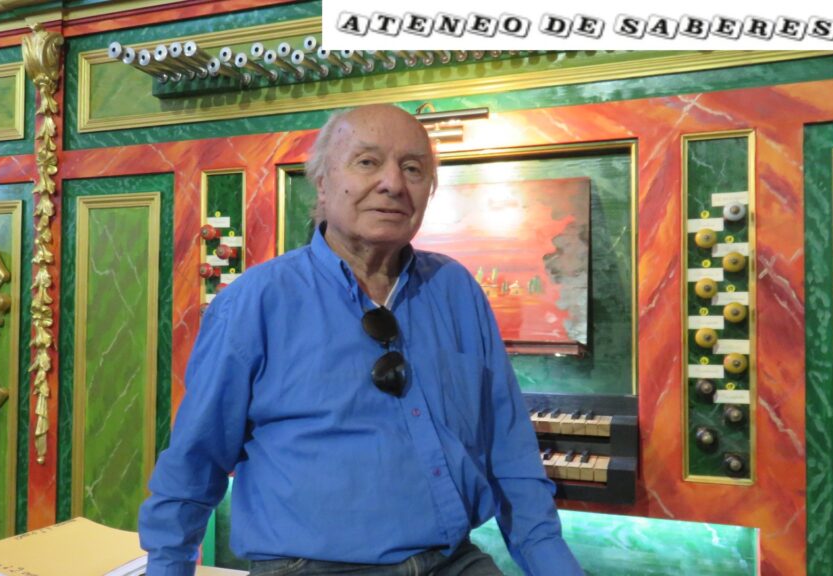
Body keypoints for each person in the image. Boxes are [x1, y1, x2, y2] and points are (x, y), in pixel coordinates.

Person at [139, 104, 582, 576]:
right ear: (322, 182)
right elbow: (195, 461)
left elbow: (510, 448)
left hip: (454, 561)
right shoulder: (256, 301)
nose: (393, 183)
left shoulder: (456, 288)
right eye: (368, 162)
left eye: (413, 169)